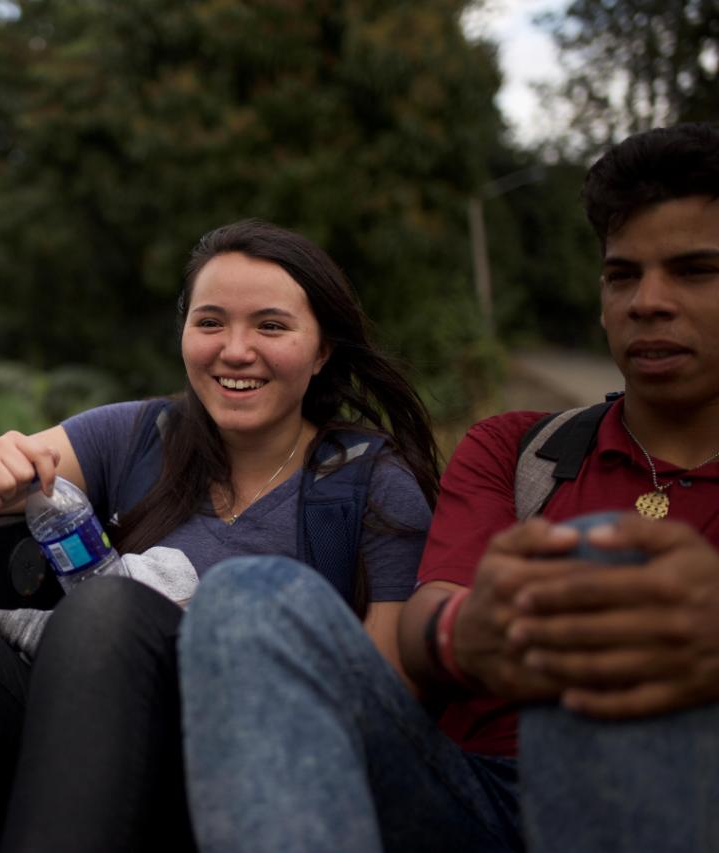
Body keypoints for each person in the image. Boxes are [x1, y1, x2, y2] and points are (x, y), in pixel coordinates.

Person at [0, 220, 441, 853]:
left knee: (108, 607)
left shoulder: (369, 484)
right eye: (211, 322)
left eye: (270, 325)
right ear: (184, 334)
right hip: (75, 739)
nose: (236, 350)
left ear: (321, 349)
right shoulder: (143, 433)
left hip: (243, 776)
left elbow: (386, 703)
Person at [178, 122, 719, 853]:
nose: (647, 301)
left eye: (695, 270)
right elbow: (426, 622)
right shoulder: (520, 449)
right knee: (247, 596)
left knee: (608, 574)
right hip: (471, 797)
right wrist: (476, 627)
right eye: (623, 274)